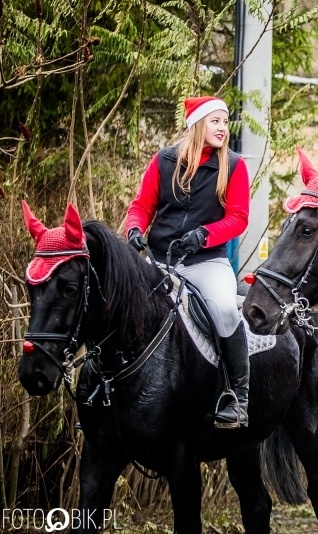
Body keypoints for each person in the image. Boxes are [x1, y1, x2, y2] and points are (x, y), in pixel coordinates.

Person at [126, 95, 251, 429]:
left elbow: (238, 219)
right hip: (161, 262)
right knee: (123, 306)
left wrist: (204, 234)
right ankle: (107, 392)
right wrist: (134, 228)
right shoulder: (163, 161)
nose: (223, 128)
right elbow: (141, 206)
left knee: (225, 309)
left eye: (225, 122)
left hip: (206, 262)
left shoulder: (235, 166)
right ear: (198, 124)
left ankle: (237, 396)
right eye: (216, 121)